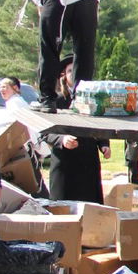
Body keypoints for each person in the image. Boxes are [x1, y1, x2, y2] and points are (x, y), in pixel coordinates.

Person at [43, 58, 108, 203]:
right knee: (63, 208)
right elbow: (44, 131)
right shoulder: (56, 100)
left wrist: (104, 144)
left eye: (78, 70)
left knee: (91, 207)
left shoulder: (95, 100)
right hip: (65, 163)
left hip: (88, 162)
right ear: (64, 76)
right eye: (70, 71)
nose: (74, 74)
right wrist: (61, 139)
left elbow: (100, 125)